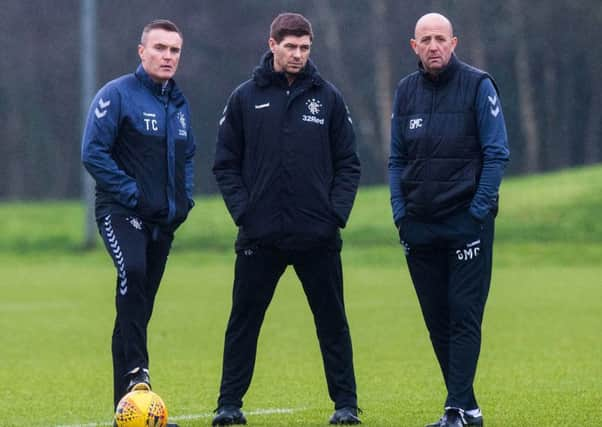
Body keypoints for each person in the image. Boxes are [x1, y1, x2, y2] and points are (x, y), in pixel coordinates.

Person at [212, 12, 362, 426]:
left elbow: (349, 163)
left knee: (332, 322)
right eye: (290, 46)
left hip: (318, 235)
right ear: (272, 44)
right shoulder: (245, 98)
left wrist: (335, 214)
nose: (298, 55)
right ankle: (228, 405)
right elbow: (225, 164)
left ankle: (346, 406)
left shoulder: (327, 98)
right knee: (243, 322)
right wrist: (245, 212)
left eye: (304, 48)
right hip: (260, 236)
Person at [388, 13, 510, 427]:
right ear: (414, 46)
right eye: (427, 39)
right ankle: (467, 409)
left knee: (463, 314)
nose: (434, 45)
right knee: (437, 319)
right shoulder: (405, 91)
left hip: (465, 222)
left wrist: (477, 211)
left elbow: (497, 153)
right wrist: (400, 214)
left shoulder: (478, 85)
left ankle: (455, 410)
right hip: (419, 225)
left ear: (454, 42)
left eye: (441, 38)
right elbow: (396, 159)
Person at [81, 19, 195, 425]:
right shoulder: (117, 95)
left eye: (174, 50)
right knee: (132, 271)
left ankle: (127, 410)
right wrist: (132, 194)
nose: (167, 56)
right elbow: (93, 152)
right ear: (141, 51)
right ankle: (139, 375)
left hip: (162, 223)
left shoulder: (178, 105)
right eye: (160, 48)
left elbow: (187, 158)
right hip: (120, 212)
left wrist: (183, 202)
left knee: (136, 309)